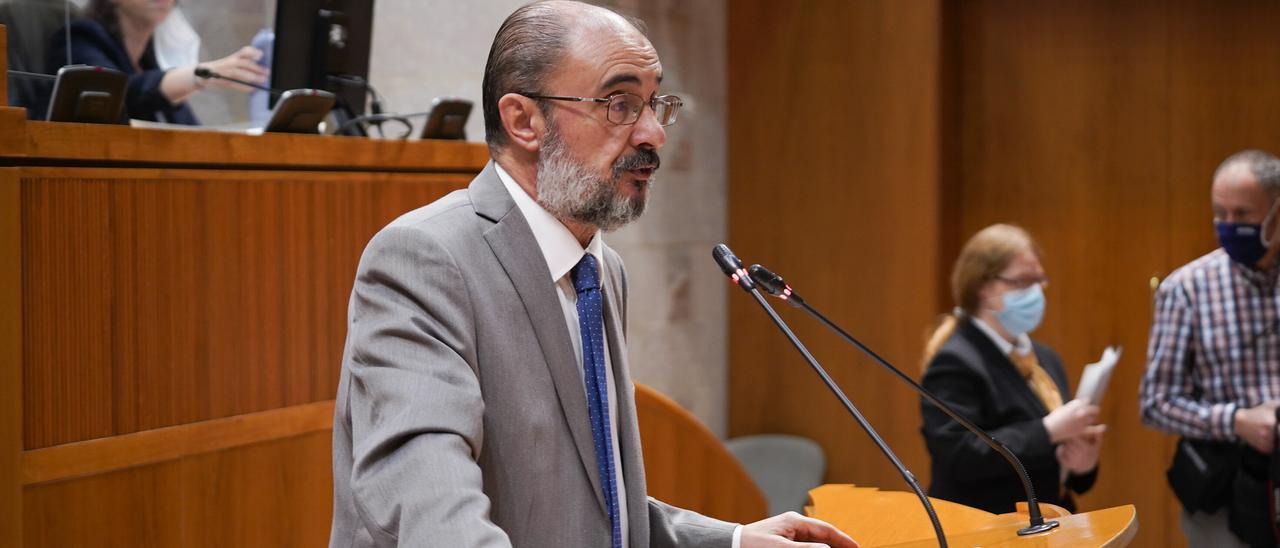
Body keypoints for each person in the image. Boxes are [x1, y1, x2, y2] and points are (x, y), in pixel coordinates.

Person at [328, 2, 858, 547]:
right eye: (620, 104)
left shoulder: (599, 269)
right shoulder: (425, 259)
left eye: (655, 104)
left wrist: (733, 542)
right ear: (524, 121)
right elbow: (431, 513)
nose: (654, 133)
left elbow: (589, 507)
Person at [1140, 149, 1280, 548]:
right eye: (1221, 214)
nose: (1229, 225)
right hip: (1225, 492)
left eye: (1243, 215)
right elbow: (1155, 403)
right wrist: (1236, 421)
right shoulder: (1186, 290)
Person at [920, 224, 1104, 514]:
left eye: (1038, 280)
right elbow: (961, 456)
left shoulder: (1045, 358)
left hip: (1051, 520)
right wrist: (1049, 430)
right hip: (983, 527)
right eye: (1021, 282)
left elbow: (1054, 464)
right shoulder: (955, 361)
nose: (1034, 292)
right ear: (981, 286)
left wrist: (1083, 465)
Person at [44, 0, 266, 124]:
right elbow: (116, 95)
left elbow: (186, 130)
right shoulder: (81, 36)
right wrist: (200, 75)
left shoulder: (152, 57)